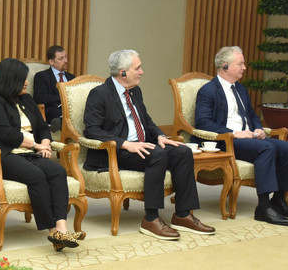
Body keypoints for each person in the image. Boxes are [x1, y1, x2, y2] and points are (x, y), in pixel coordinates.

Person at [83, 49, 215, 240]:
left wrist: (160, 136)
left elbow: (146, 119)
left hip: (142, 146)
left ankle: (183, 214)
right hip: (115, 152)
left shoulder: (135, 91)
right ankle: (151, 218)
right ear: (123, 72)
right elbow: (91, 130)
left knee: (183, 152)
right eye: (137, 68)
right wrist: (125, 144)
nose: (142, 72)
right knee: (158, 155)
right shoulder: (100, 94)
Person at [0, 58, 81, 251]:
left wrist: (45, 143)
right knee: (36, 176)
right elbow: (8, 135)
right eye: (23, 79)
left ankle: (62, 227)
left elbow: (43, 127)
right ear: (10, 80)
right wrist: (36, 146)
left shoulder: (26, 99)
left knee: (57, 172)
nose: (27, 82)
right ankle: (53, 232)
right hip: (2, 155)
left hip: (29, 153)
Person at [194, 46, 288, 226]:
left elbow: (251, 115)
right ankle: (263, 208)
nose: (244, 67)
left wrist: (258, 129)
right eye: (240, 64)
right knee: (267, 148)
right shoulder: (208, 91)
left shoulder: (241, 89)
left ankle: (279, 200)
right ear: (225, 66)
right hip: (226, 141)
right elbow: (203, 123)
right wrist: (235, 133)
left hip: (250, 138)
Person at [33, 45, 76, 131]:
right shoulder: (41, 76)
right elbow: (39, 98)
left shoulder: (71, 77)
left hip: (72, 109)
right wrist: (63, 97)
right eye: (61, 59)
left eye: (65, 57)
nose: (66, 61)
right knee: (59, 113)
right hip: (53, 110)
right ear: (51, 62)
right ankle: (60, 122)